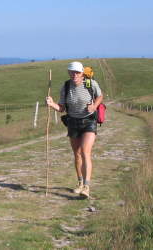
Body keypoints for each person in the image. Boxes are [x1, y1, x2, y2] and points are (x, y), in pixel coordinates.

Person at [46, 61, 103, 198]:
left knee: (85, 152)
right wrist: (52, 104)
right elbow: (62, 108)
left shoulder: (90, 84)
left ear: (82, 73)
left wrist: (94, 106)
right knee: (77, 154)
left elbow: (100, 96)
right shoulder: (65, 87)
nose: (74, 75)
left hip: (89, 121)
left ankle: (86, 187)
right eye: (72, 72)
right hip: (72, 122)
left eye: (77, 72)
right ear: (69, 73)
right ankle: (80, 183)